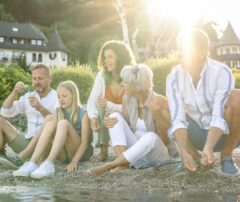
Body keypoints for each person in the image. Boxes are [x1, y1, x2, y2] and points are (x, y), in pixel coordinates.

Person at [166, 29, 240, 174]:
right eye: (179, 47)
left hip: (225, 134)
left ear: (201, 52)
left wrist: (209, 147)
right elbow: (177, 118)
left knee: (238, 97)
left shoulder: (221, 72)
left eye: (185, 48)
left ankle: (226, 156)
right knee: (159, 104)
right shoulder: (173, 76)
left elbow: (218, 116)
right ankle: (191, 157)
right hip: (196, 133)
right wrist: (183, 151)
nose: (180, 52)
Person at [87, 65, 177, 175]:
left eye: (125, 82)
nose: (122, 84)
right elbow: (126, 125)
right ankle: (123, 163)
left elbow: (165, 140)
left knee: (150, 137)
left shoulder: (158, 102)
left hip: (159, 154)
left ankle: (110, 165)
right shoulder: (127, 99)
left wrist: (156, 115)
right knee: (114, 116)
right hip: (136, 154)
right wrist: (108, 120)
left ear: (136, 86)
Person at [0, 64, 59, 169]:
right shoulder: (29, 96)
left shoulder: (57, 97)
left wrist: (40, 108)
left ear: (50, 79)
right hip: (27, 142)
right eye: (34, 78)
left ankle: (22, 158)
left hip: (47, 144)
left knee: (51, 127)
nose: (36, 82)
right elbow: (5, 112)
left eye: (40, 78)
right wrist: (15, 91)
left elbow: (58, 122)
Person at [13, 80, 93, 178]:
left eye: (64, 96)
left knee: (63, 123)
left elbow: (84, 143)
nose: (61, 99)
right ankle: (32, 162)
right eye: (58, 97)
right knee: (49, 121)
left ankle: (49, 163)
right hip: (64, 155)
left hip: (79, 153)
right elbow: (49, 128)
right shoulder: (59, 111)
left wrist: (74, 162)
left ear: (74, 95)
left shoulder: (83, 114)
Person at [87, 40, 136, 162]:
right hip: (111, 121)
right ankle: (104, 152)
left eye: (110, 57)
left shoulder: (131, 75)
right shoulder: (102, 77)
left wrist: (111, 106)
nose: (106, 61)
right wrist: (93, 118)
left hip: (130, 125)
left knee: (107, 107)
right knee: (99, 103)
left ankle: (125, 154)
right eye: (105, 57)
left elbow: (133, 109)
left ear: (121, 57)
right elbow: (92, 101)